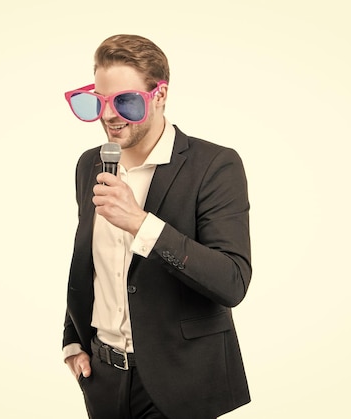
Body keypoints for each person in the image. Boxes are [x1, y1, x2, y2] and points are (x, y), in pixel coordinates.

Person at [62, 34, 252, 419]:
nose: (109, 116)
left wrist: (141, 223)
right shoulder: (90, 165)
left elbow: (232, 281)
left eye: (125, 102)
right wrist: (73, 340)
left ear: (160, 95)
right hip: (103, 380)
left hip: (181, 385)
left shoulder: (215, 165)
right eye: (99, 101)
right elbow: (91, 261)